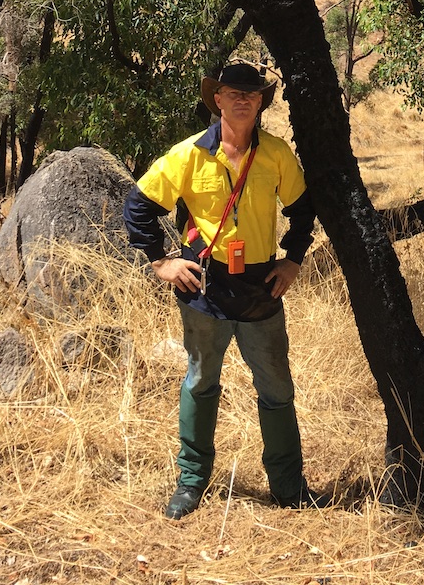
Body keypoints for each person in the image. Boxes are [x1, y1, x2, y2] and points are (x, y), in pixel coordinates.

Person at [123, 60, 327, 518]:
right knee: (199, 384)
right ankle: (191, 483)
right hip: (205, 289)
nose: (241, 99)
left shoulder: (276, 154)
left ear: (260, 103)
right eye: (232, 92)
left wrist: (293, 260)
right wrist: (162, 261)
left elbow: (302, 209)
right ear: (216, 99)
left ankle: (289, 489)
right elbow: (138, 205)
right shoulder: (188, 155)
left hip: (261, 290)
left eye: (251, 94)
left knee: (277, 389)